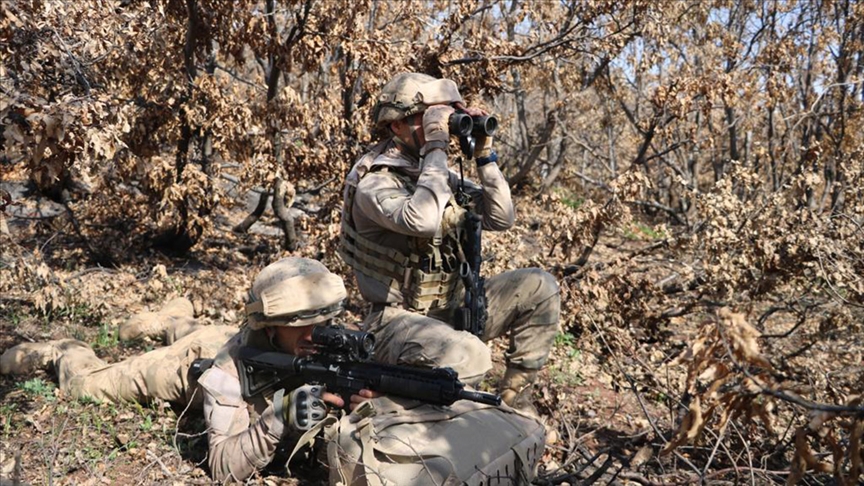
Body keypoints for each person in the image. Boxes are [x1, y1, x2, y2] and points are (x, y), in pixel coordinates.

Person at [0, 257, 374, 483]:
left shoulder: (326, 341)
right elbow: (223, 467)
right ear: (270, 325)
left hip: (220, 335)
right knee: (87, 385)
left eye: (325, 320)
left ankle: (174, 317)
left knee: (203, 332)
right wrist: (279, 418)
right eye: (300, 323)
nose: (317, 333)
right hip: (189, 365)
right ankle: (64, 350)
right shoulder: (229, 371)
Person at [340, 72, 561, 415]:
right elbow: (423, 220)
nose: (440, 126)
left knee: (540, 287)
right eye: (428, 119)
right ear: (396, 126)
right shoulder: (375, 182)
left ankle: (513, 408)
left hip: (451, 310)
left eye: (443, 118)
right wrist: (436, 147)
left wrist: (485, 158)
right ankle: (389, 406)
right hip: (394, 323)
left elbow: (500, 218)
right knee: (468, 354)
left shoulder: (434, 173)